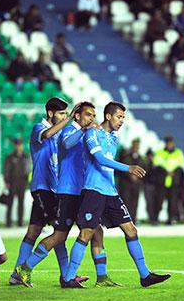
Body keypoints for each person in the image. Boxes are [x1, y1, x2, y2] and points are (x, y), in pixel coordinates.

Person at [61, 102, 171, 288]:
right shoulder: (92, 133)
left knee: (131, 230)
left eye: (123, 118)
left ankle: (145, 275)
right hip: (93, 191)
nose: (121, 121)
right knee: (87, 233)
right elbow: (100, 159)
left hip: (110, 192)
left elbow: (108, 163)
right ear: (108, 116)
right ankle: (68, 278)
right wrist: (129, 168)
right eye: (119, 117)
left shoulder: (114, 138)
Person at [16, 102, 120, 287]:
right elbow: (66, 142)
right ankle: (26, 268)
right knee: (59, 236)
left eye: (93, 115)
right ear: (78, 116)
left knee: (96, 231)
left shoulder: (87, 133)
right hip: (66, 192)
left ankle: (101, 277)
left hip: (80, 191)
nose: (91, 118)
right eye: (88, 115)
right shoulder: (66, 132)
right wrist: (81, 126)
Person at [9, 98, 84, 286]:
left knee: (33, 232)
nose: (65, 116)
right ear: (50, 113)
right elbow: (48, 134)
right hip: (43, 188)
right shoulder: (38, 128)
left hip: (54, 188)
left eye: (66, 113)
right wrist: (70, 120)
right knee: (60, 232)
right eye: (62, 113)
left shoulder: (60, 133)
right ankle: (65, 275)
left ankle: (16, 275)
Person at [153, 136, 184, 224]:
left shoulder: (178, 152)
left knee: (172, 202)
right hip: (162, 182)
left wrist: (173, 173)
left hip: (174, 182)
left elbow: (181, 165)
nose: (169, 145)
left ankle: (170, 219)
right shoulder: (160, 153)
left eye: (171, 143)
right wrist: (166, 172)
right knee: (159, 202)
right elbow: (156, 165)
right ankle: (155, 219)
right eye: (168, 143)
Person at [117, 139, 145, 223]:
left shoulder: (141, 158)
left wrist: (137, 177)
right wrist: (130, 175)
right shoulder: (125, 156)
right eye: (135, 145)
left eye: (138, 146)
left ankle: (133, 218)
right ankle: (125, 219)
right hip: (126, 184)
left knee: (135, 201)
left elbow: (145, 168)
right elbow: (122, 167)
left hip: (137, 184)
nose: (137, 147)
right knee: (126, 201)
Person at [4, 139, 30, 227]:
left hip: (22, 183)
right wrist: (7, 181)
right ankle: (8, 222)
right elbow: (6, 170)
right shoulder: (10, 157)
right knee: (10, 203)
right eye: (17, 145)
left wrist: (27, 182)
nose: (19, 146)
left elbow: (28, 170)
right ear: (15, 146)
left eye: (20, 144)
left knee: (21, 203)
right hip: (12, 182)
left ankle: (20, 221)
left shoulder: (25, 156)